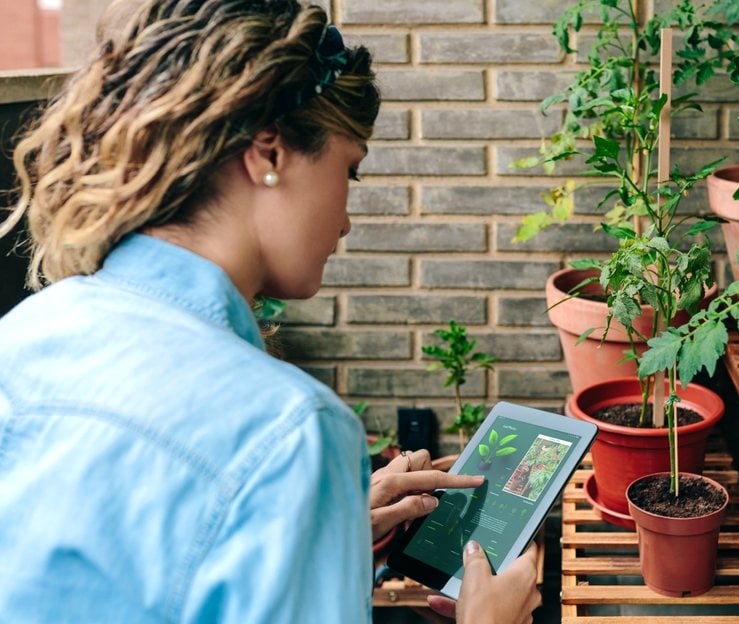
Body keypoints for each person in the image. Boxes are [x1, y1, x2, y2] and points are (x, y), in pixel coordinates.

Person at [0, 1, 541, 622]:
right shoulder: (289, 434)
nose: (344, 221)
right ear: (269, 153)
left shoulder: (20, 336)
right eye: (350, 171)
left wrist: (314, 537)